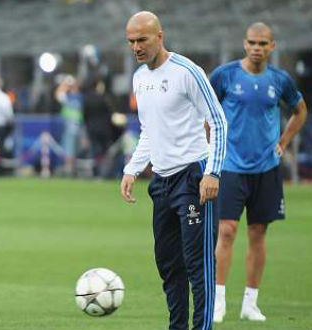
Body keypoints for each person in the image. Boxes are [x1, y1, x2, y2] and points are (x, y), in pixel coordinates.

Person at [120, 12, 227, 330]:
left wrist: (213, 172)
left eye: (142, 39)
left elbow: (218, 121)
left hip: (193, 176)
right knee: (168, 265)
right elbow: (149, 130)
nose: (136, 47)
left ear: (159, 36)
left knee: (198, 265)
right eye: (131, 41)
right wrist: (132, 169)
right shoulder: (139, 78)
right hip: (162, 182)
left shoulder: (187, 72)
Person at [209, 22, 307, 323]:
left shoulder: (280, 80)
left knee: (258, 233)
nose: (257, 48)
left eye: (263, 44)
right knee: (226, 230)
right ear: (244, 43)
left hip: (266, 168)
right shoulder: (226, 75)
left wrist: (283, 142)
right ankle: (218, 301)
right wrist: (210, 145)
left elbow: (300, 110)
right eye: (252, 42)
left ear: (272, 47)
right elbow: (206, 109)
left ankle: (250, 303)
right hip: (230, 166)